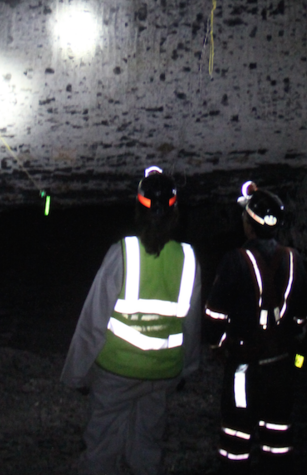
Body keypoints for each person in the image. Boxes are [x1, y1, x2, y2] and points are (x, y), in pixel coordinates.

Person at [60, 166, 202, 475]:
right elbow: (191, 326)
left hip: (116, 373)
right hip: (163, 373)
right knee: (147, 447)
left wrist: (76, 374)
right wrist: (187, 369)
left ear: (138, 208)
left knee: (101, 447)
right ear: (175, 212)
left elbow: (93, 321)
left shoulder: (122, 253)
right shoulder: (189, 259)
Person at [204, 181, 307, 475]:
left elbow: (214, 315)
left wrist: (218, 344)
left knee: (236, 437)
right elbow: (303, 314)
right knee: (277, 436)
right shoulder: (294, 259)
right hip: (282, 365)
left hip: (244, 366)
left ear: (249, 223)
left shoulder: (234, 261)